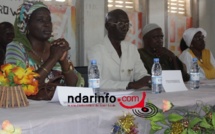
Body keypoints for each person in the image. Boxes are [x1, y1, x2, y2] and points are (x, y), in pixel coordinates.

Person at [5, 1, 84, 97]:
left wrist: (63, 62)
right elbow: (21, 88)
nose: (47, 24)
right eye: (40, 20)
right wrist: (53, 58)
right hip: (27, 110)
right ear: (26, 24)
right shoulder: (16, 48)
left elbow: (76, 87)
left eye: (48, 20)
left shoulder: (56, 47)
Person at [87, 9, 150, 90]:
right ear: (108, 26)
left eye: (127, 24)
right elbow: (96, 82)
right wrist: (129, 85)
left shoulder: (132, 49)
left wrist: (147, 80)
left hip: (129, 99)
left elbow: (141, 74)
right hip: (106, 99)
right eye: (120, 24)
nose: (125, 28)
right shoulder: (96, 50)